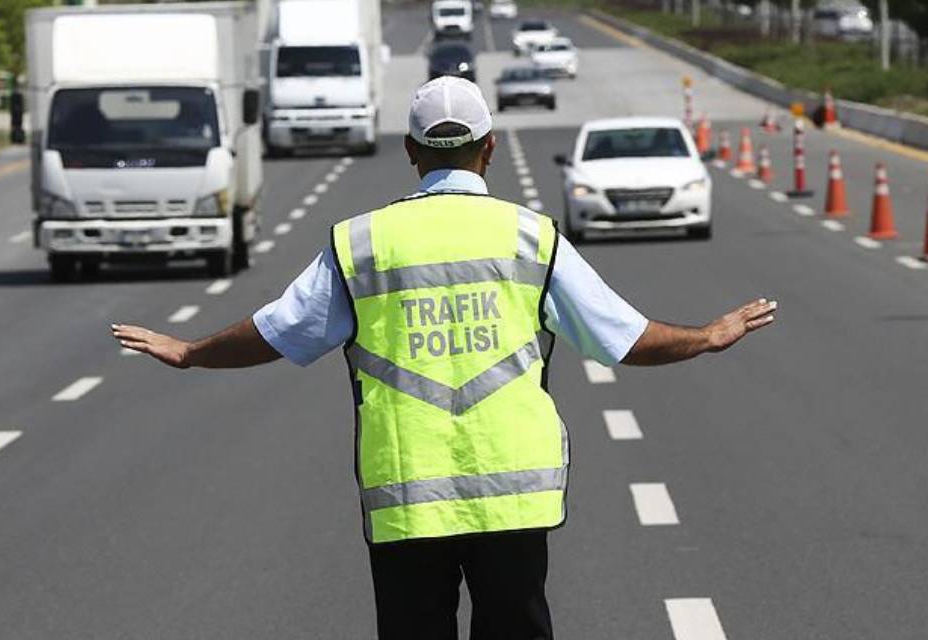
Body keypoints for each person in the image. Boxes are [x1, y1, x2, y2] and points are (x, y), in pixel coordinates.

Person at [111, 76, 777, 639]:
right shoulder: (530, 237)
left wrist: (190, 351)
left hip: (407, 494)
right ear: (489, 148)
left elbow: (280, 331)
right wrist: (706, 336)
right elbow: (622, 338)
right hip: (513, 496)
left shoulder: (363, 243)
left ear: (411, 151)